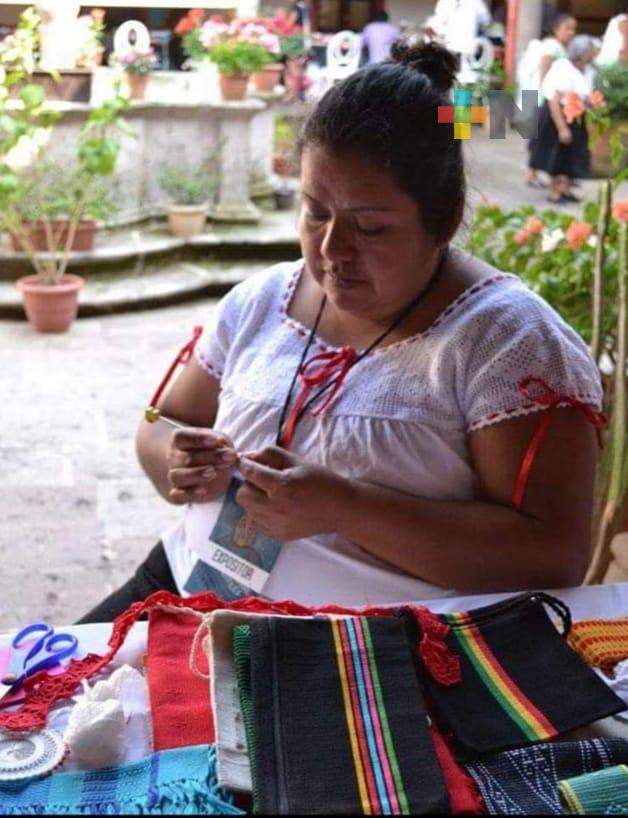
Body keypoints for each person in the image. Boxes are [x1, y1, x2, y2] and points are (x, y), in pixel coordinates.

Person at [79, 42, 602, 622]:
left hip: (377, 650)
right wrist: (176, 458)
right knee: (28, 680)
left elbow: (553, 557)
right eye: (315, 212)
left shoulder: (508, 343)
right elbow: (164, 421)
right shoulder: (262, 302)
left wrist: (346, 508)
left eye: (370, 228)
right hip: (185, 587)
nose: (332, 250)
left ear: (446, 219)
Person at [530, 35, 597, 204]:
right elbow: (554, 100)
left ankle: (565, 189)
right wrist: (562, 128)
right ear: (582, 53)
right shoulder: (563, 68)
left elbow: (582, 94)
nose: (593, 55)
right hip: (558, 115)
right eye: (590, 52)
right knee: (557, 155)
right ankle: (553, 191)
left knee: (573, 155)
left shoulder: (585, 70)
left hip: (575, 116)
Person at [525, 13, 578, 188]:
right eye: (567, 28)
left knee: (540, 138)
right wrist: (546, 94)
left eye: (573, 29)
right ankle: (533, 174)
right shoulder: (552, 47)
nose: (571, 33)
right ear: (556, 29)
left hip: (549, 98)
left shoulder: (560, 48)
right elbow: (545, 71)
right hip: (546, 98)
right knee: (541, 139)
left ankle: (535, 173)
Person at [423, 0, 491, 59]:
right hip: (466, 51)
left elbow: (438, 21)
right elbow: (486, 21)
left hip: (453, 50)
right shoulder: (476, 2)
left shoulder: (445, 2)